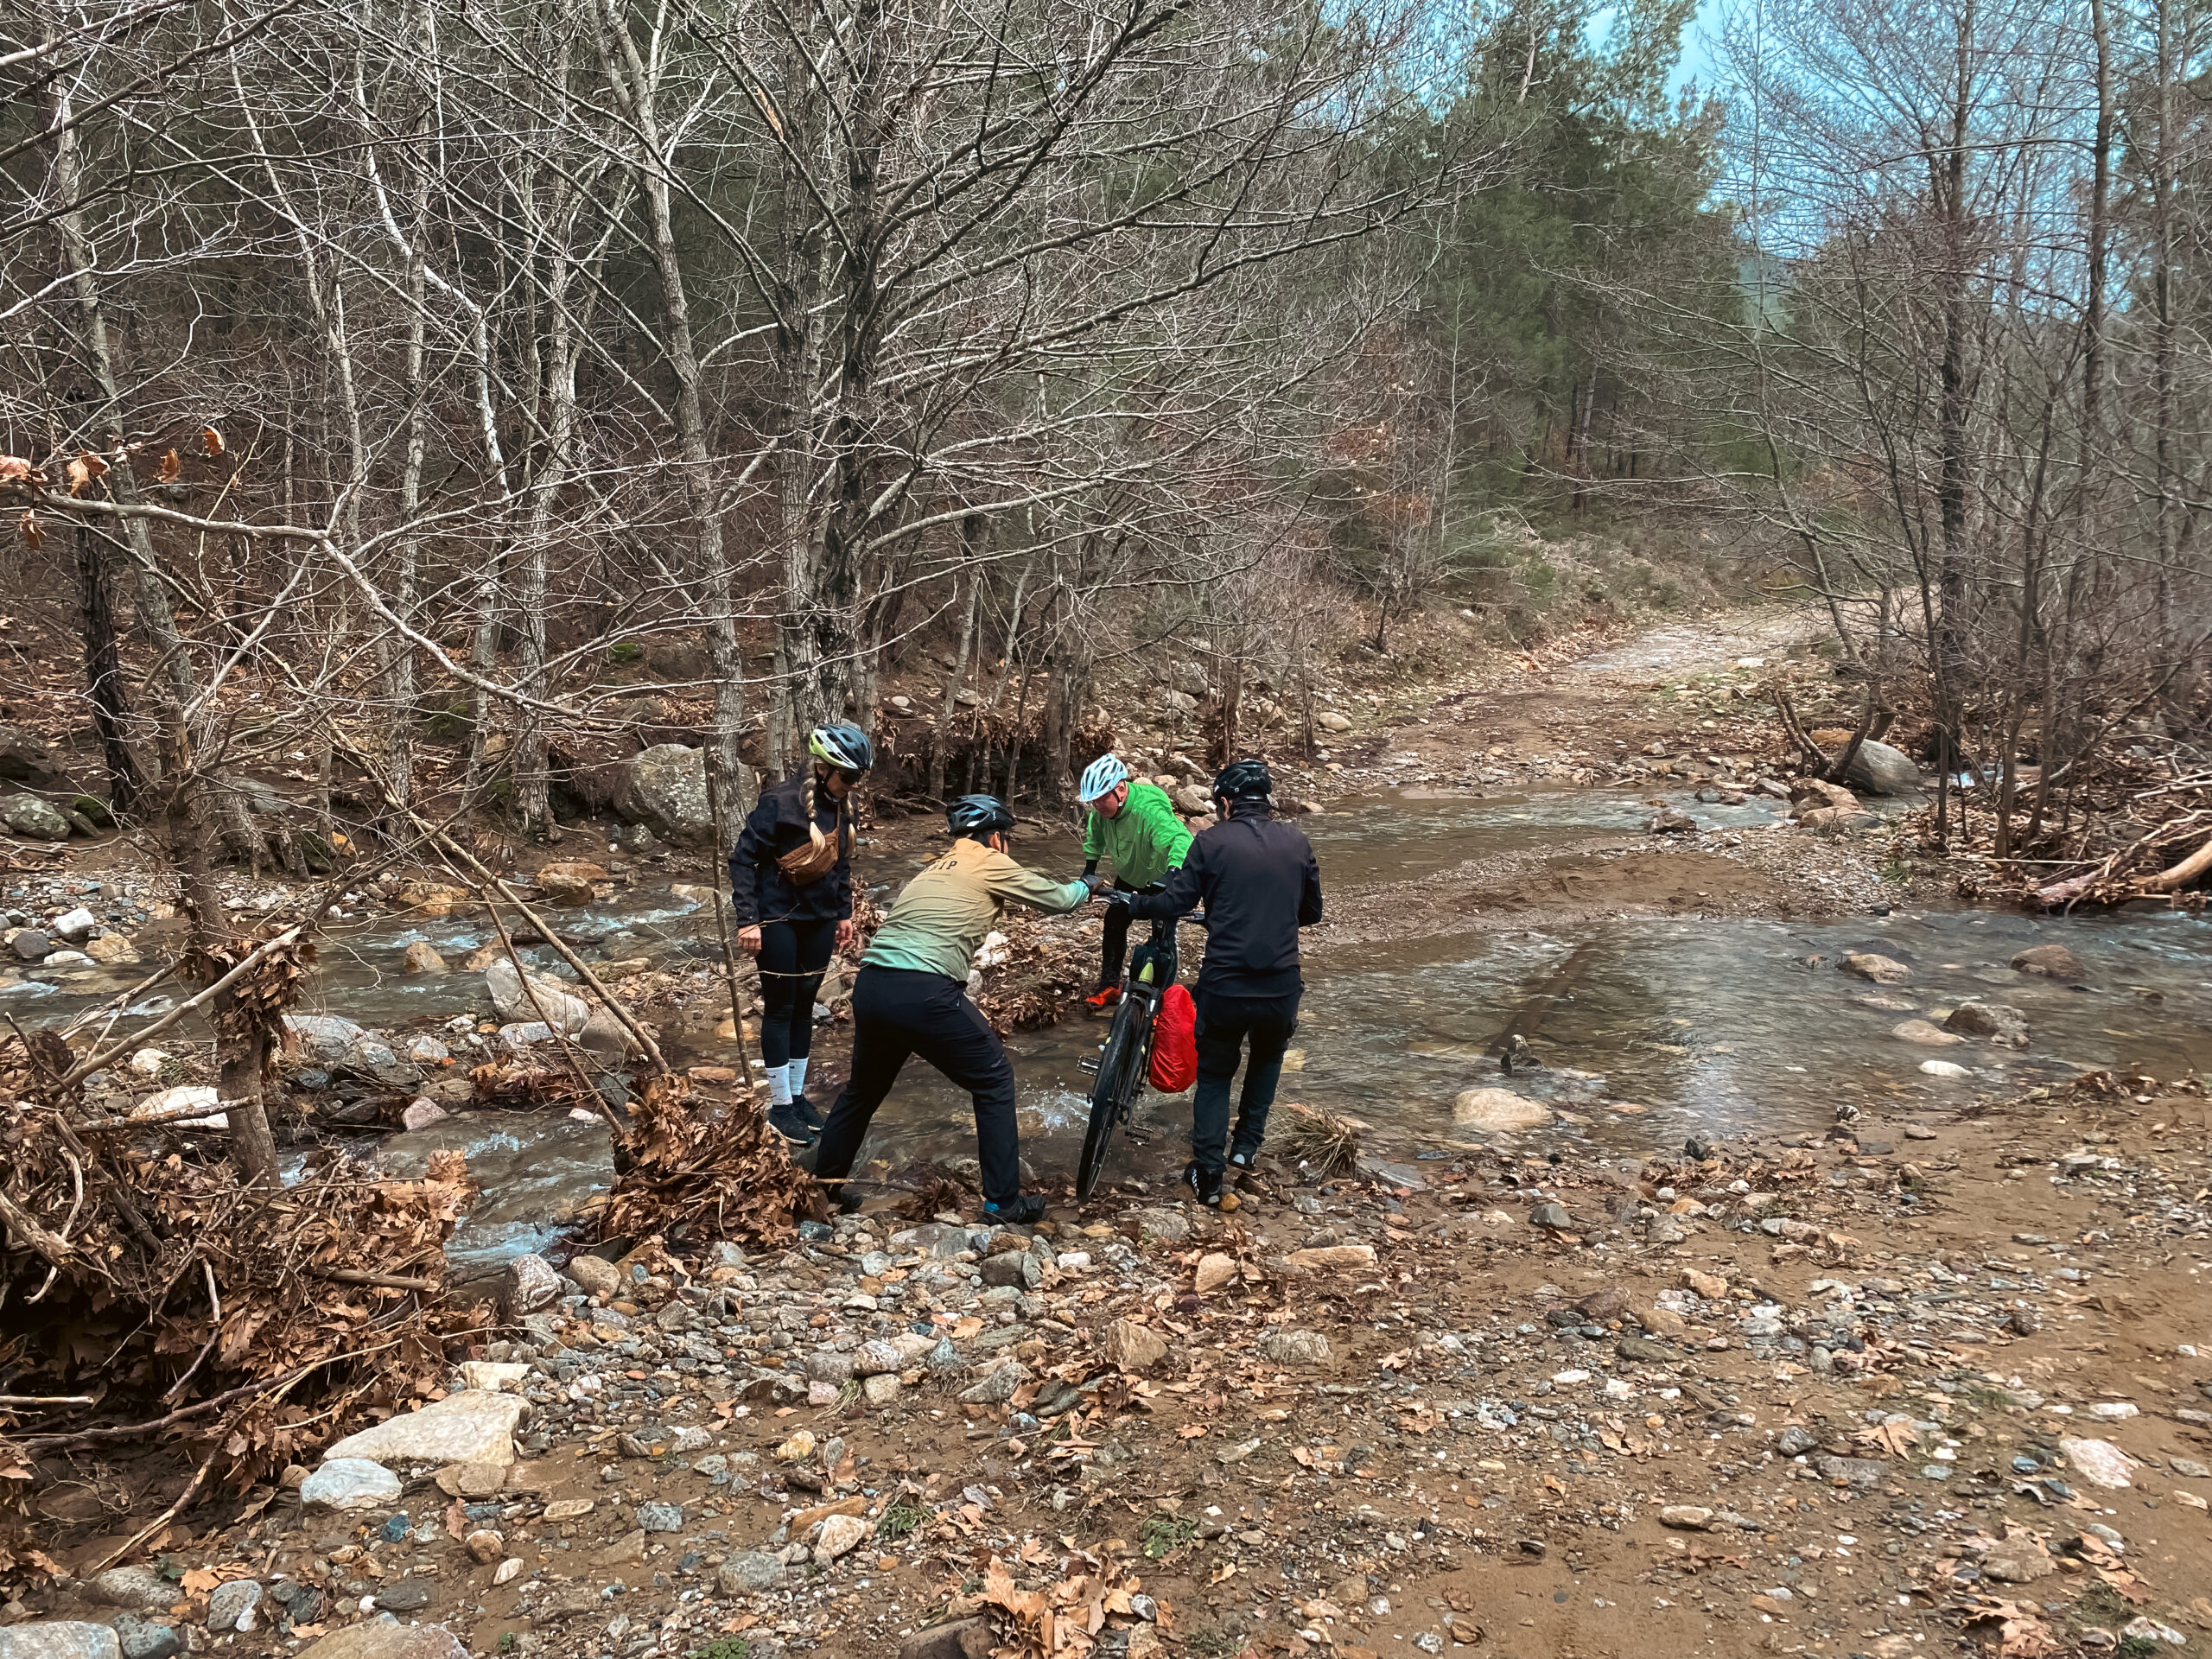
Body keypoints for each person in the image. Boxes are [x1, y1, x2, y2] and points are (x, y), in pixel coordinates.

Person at [811, 794, 1092, 1224]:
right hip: (924, 990)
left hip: (872, 985)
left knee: (862, 1092)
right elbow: (1059, 899)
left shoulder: (933, 868)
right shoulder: (990, 861)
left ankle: (823, 1191)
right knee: (994, 1079)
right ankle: (1003, 1203)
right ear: (995, 837)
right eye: (1007, 836)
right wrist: (1088, 886)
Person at [1120, 758, 1322, 1206]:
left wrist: (1134, 905)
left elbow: (1175, 901)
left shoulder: (1211, 842)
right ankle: (1246, 1148)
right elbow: (1312, 912)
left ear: (1226, 803)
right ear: (1266, 801)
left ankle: (1209, 1174)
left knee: (1214, 1075)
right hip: (1280, 986)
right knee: (1267, 1060)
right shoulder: (1297, 841)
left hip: (1225, 984)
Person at [730, 722, 874, 1147]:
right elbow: (742, 861)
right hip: (778, 919)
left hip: (820, 920)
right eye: (848, 776)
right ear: (823, 768)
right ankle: (780, 1107)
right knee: (780, 1009)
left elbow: (841, 863)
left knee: (805, 1007)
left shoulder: (842, 806)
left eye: (858, 777)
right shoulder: (778, 802)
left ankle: (796, 1097)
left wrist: (843, 913)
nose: (853, 785)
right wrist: (748, 920)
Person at [1076, 753, 1192, 1009]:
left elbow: (1181, 839)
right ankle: (1110, 985)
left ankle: (1162, 999)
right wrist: (1089, 870)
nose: (1096, 806)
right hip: (1130, 875)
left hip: (1161, 877)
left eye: (1101, 799)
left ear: (1120, 790)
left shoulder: (1148, 811)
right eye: (1093, 801)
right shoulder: (1101, 813)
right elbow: (1095, 839)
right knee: (1114, 923)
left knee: (1163, 937)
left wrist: (1173, 873)